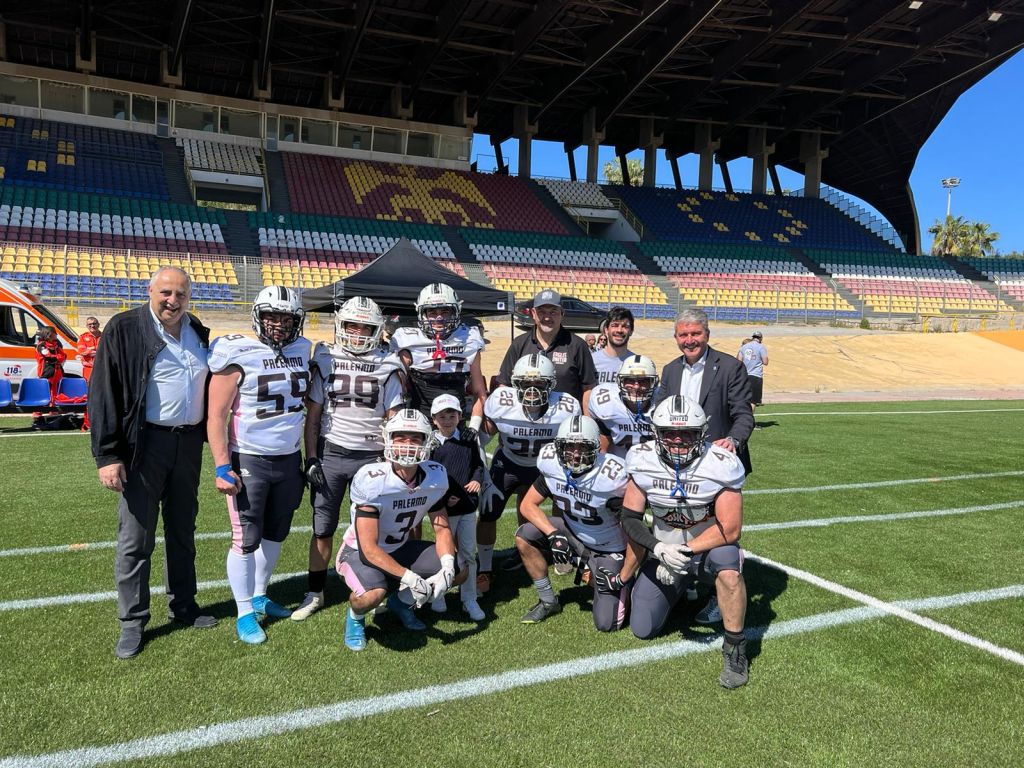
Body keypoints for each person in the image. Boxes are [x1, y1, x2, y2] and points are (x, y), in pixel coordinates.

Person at [89, 266, 216, 660]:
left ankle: (183, 605)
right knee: (136, 538)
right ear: (150, 290)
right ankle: (133, 621)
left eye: (180, 294)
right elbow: (103, 391)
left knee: (183, 530)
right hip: (145, 445)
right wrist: (108, 454)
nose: (172, 301)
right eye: (165, 292)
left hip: (188, 445)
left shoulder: (196, 328)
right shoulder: (125, 328)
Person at [620, 396, 749, 688]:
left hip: (705, 551)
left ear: (702, 433)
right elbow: (629, 518)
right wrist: (659, 549)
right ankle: (681, 590)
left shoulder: (720, 463)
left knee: (728, 568)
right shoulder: (642, 459)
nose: (678, 440)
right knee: (643, 628)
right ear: (656, 433)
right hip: (663, 550)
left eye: (688, 433)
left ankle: (735, 650)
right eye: (669, 433)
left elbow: (730, 528)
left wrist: (685, 550)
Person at [207, 286, 312, 644]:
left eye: (285, 318)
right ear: (258, 316)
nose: (278, 325)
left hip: (287, 458)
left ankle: (261, 594)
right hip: (249, 456)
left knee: (275, 533)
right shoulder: (236, 351)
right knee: (245, 538)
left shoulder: (303, 349)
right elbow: (216, 414)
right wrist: (222, 465)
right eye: (271, 316)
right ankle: (244, 611)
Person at [294, 296, 405, 622]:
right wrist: (311, 457)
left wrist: (391, 462)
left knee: (376, 530)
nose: (357, 333)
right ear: (341, 326)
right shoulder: (326, 356)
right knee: (323, 528)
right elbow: (313, 416)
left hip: (373, 457)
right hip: (332, 453)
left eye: (365, 327)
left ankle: (378, 585)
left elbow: (394, 418)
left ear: (377, 330)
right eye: (351, 325)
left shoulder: (389, 364)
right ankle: (315, 592)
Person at [335, 409, 470, 652]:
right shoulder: (372, 479)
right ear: (388, 439)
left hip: (401, 546)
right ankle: (355, 617)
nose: (407, 445)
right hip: (358, 553)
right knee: (372, 595)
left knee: (460, 569)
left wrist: (448, 566)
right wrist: (409, 577)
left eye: (415, 438)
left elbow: (441, 528)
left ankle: (399, 603)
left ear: (427, 441)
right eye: (400, 437)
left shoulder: (435, 475)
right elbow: (368, 549)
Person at [654, 308, 753, 625]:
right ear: (675, 338)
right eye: (683, 335)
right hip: (678, 465)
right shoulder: (669, 371)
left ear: (707, 335)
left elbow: (743, 414)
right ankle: (689, 583)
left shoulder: (730, 366)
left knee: (720, 531)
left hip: (715, 467)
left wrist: (733, 442)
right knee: (683, 524)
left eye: (695, 333)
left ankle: (718, 590)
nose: (689, 340)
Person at [515, 415, 638, 631]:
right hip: (573, 535)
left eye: (582, 448)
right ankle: (548, 601)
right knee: (525, 534)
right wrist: (553, 534)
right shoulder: (553, 466)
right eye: (569, 447)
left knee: (608, 624)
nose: (574, 454)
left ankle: (619, 582)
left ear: (596, 448)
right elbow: (527, 506)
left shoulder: (613, 479)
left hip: (608, 549)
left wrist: (624, 573)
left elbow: (634, 530)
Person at [477, 353, 581, 589]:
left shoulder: (565, 406)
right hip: (509, 464)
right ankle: (484, 568)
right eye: (526, 384)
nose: (532, 389)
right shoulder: (501, 402)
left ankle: (563, 552)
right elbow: (484, 437)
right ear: (516, 384)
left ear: (551, 384)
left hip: (546, 469)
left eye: (539, 383)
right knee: (487, 511)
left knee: (566, 509)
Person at [389, 283, 487, 424]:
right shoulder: (408, 340)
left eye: (445, 312)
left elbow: (479, 392)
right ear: (422, 313)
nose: (439, 318)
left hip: (455, 421)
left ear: (456, 312)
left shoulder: (470, 338)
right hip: (419, 420)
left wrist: (474, 426)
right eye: (432, 312)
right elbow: (396, 388)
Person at [428, 393, 486, 621]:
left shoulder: (468, 440)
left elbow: (477, 466)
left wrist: (477, 480)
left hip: (468, 508)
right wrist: (444, 497)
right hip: (443, 510)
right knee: (444, 554)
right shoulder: (431, 445)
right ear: (434, 419)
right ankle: (439, 594)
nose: (447, 420)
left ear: (460, 416)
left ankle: (468, 598)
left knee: (468, 553)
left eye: (452, 415)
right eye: (442, 416)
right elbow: (429, 477)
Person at [497, 288, 597, 409]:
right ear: (533, 313)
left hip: (564, 422)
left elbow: (588, 388)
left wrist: (586, 420)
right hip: (526, 419)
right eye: (542, 312)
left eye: (553, 312)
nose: (547, 317)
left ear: (562, 313)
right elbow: (504, 385)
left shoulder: (577, 345)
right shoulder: (519, 344)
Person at [587, 354, 658, 459]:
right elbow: (602, 450)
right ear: (620, 382)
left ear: (654, 383)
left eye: (643, 381)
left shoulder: (661, 404)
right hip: (619, 463)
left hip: (652, 467)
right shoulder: (607, 404)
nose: (636, 387)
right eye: (630, 380)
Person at [591, 307, 635, 385]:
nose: (619, 330)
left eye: (625, 326)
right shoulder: (591, 361)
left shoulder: (636, 363)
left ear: (631, 331)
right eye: (615, 325)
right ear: (606, 330)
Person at [33, 326, 65, 428]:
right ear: (48, 334)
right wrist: (57, 358)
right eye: (54, 333)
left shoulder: (57, 344)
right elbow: (48, 357)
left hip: (56, 372)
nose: (56, 335)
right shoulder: (41, 345)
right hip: (46, 372)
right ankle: (37, 413)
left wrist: (57, 358)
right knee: (43, 393)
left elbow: (64, 356)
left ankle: (53, 411)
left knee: (54, 393)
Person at [77, 316, 102, 430]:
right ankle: (88, 422)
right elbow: (82, 351)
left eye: (94, 323)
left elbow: (107, 351)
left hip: (102, 369)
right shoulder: (83, 337)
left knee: (102, 395)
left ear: (98, 324)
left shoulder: (105, 336)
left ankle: (101, 421)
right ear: (87, 326)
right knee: (90, 396)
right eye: (90, 324)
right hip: (89, 370)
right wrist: (95, 350)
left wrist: (91, 350)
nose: (92, 326)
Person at [737, 331, 769, 412]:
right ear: (760, 338)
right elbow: (765, 362)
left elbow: (738, 361)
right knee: (753, 401)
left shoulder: (744, 347)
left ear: (753, 337)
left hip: (744, 376)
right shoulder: (761, 347)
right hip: (755, 376)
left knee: (743, 399)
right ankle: (749, 421)